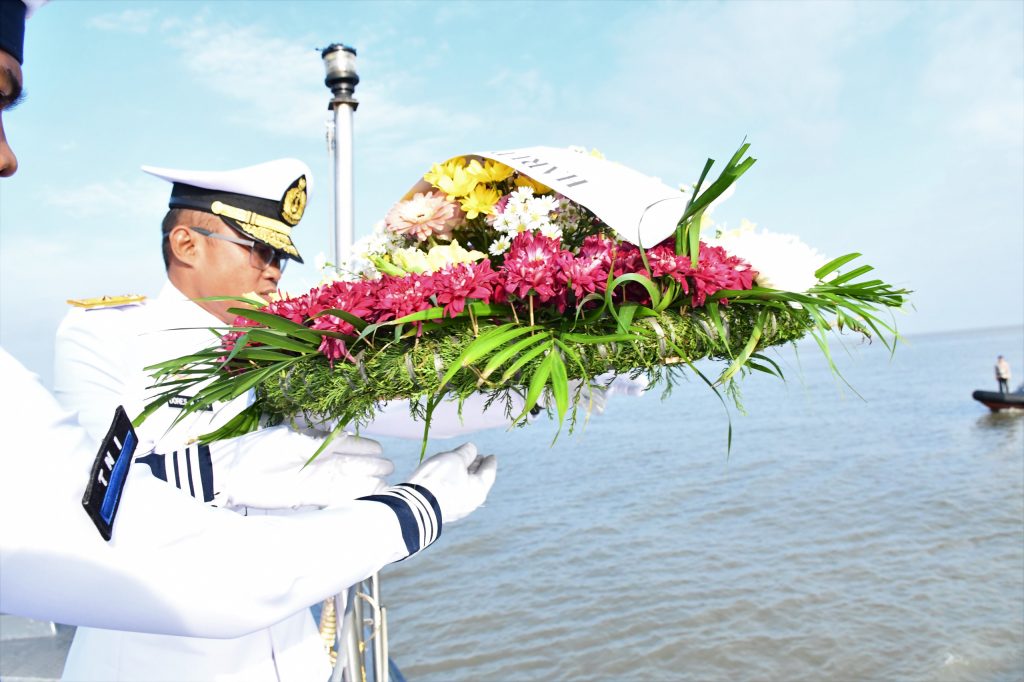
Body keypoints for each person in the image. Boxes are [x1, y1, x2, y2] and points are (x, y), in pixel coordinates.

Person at [0, 0, 497, 642]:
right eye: (259, 249)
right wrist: (227, 471)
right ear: (187, 245)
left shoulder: (286, 342)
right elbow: (99, 507)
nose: (273, 270)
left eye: (281, 255)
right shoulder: (105, 335)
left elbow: (393, 409)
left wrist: (558, 381)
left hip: (291, 644)